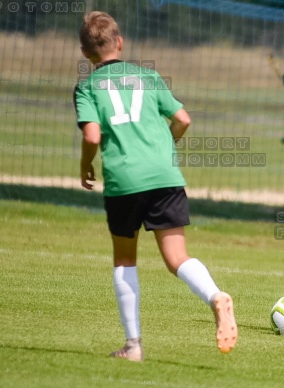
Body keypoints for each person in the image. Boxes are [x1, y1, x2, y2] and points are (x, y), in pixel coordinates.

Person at [74, 11, 237, 361]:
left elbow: (92, 135)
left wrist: (86, 164)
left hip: (124, 180)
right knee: (177, 257)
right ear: (120, 43)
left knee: (124, 259)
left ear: (86, 53)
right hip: (165, 176)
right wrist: (167, 146)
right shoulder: (148, 76)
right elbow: (183, 119)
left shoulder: (87, 86)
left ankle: (133, 346)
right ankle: (215, 297)